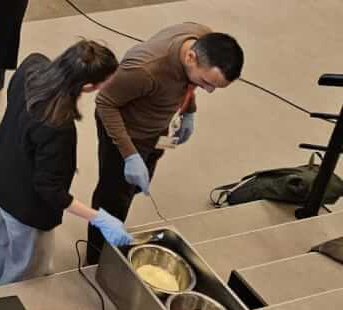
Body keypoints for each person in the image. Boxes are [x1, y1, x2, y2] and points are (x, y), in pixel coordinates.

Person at [0, 41, 133, 286]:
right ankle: (1, 308)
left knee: (4, 245)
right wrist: (100, 218)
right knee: (23, 270)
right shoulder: (57, 125)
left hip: (2, 177)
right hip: (26, 205)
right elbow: (49, 189)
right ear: (88, 86)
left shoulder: (32, 66)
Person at [86, 24, 244, 260]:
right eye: (206, 82)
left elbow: (190, 84)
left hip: (156, 130)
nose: (209, 90)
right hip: (127, 135)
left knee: (137, 184)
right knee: (113, 198)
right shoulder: (144, 69)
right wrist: (129, 155)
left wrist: (189, 109)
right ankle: (97, 254)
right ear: (191, 57)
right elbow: (105, 104)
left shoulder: (200, 37)